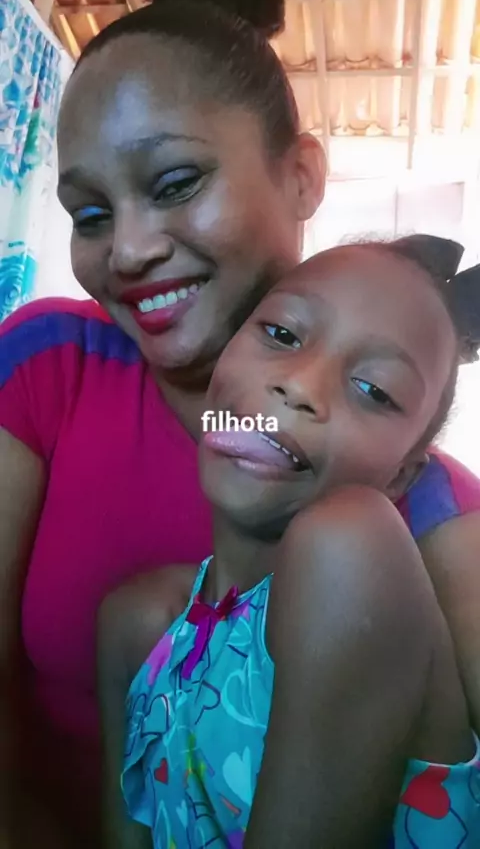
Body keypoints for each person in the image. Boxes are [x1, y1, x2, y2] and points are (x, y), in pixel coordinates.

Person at [0, 0, 480, 844]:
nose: (128, 251)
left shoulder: (408, 517)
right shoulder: (50, 366)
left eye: (177, 182)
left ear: (301, 176)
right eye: (91, 215)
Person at [100, 238, 480, 849]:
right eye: (280, 334)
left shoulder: (353, 550)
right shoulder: (139, 625)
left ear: (402, 477)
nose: (300, 385)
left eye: (374, 390)